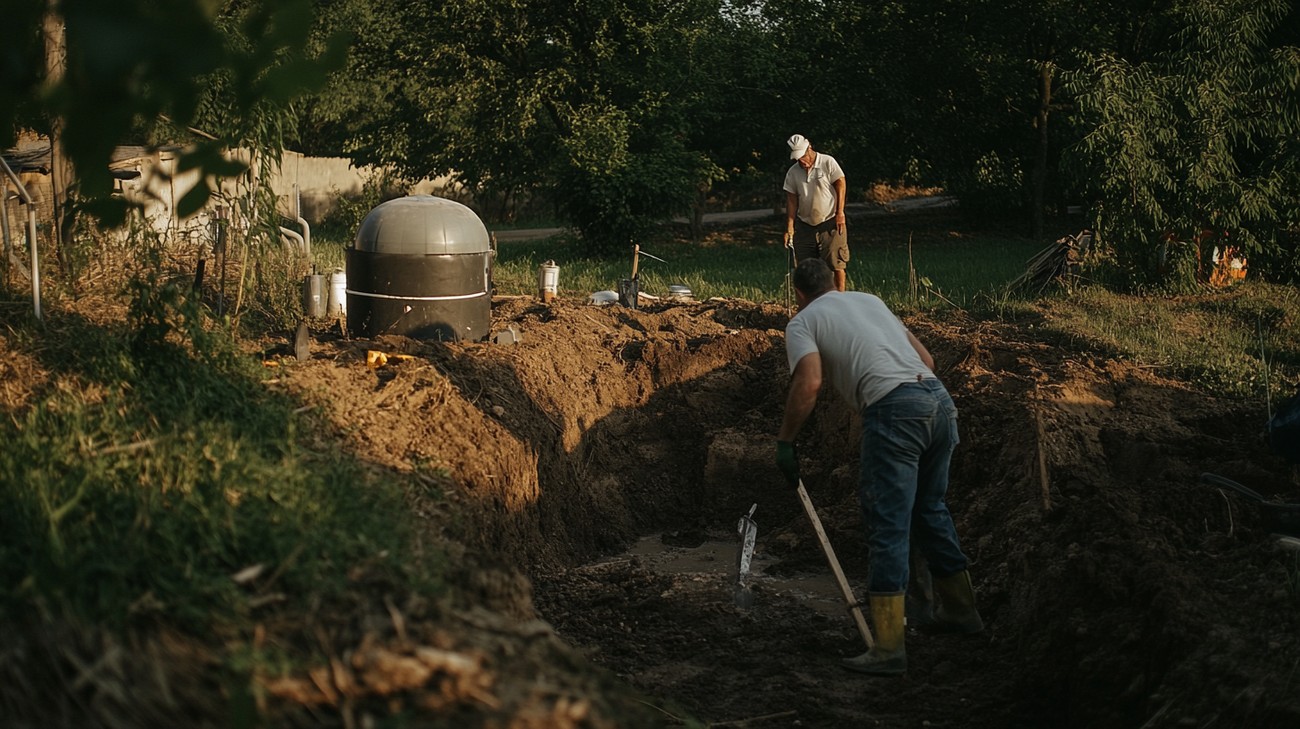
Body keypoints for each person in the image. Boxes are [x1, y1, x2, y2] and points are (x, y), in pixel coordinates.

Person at [775, 258, 983, 677]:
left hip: (895, 412)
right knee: (930, 511)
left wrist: (785, 441)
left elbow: (810, 382)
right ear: (836, 282)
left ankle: (888, 647)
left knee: (888, 522)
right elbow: (927, 360)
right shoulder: (870, 300)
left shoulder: (802, 322)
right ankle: (962, 612)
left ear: (797, 294)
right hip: (939, 404)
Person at [783, 134, 849, 292]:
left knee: (836, 264)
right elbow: (792, 201)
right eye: (798, 158)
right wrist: (790, 228)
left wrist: (840, 212)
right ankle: (812, 302)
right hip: (805, 225)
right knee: (806, 268)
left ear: (809, 148)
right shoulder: (793, 173)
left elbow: (841, 184)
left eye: (803, 156)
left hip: (830, 222)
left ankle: (840, 299)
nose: (802, 161)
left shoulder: (827, 162)